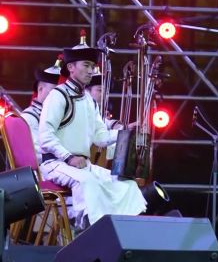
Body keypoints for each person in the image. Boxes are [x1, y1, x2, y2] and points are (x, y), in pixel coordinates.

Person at [38, 44, 146, 229]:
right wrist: (69, 157)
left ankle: (120, 230)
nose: (91, 71)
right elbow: (45, 136)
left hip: (82, 165)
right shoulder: (58, 95)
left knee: (126, 184)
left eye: (93, 66)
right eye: (86, 65)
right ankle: (86, 231)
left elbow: (100, 137)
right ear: (71, 67)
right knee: (87, 183)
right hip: (56, 163)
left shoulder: (88, 100)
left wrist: (125, 133)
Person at [21, 58, 62, 159]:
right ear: (40, 89)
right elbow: (37, 155)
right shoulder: (29, 118)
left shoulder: (59, 116)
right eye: (55, 92)